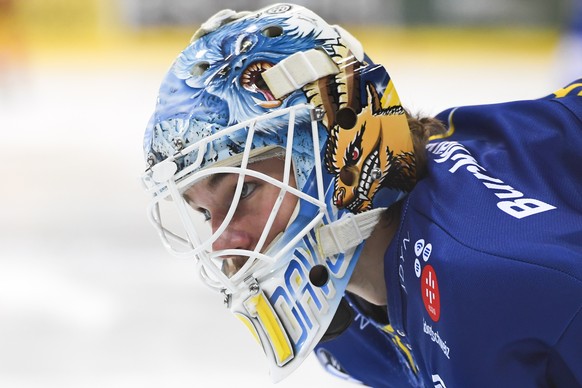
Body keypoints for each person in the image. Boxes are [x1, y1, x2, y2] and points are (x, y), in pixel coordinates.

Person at [141, 3, 582, 387]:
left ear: (338, 147)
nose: (220, 243)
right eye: (204, 213)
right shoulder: (345, 317)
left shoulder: (491, 278)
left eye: (245, 191)